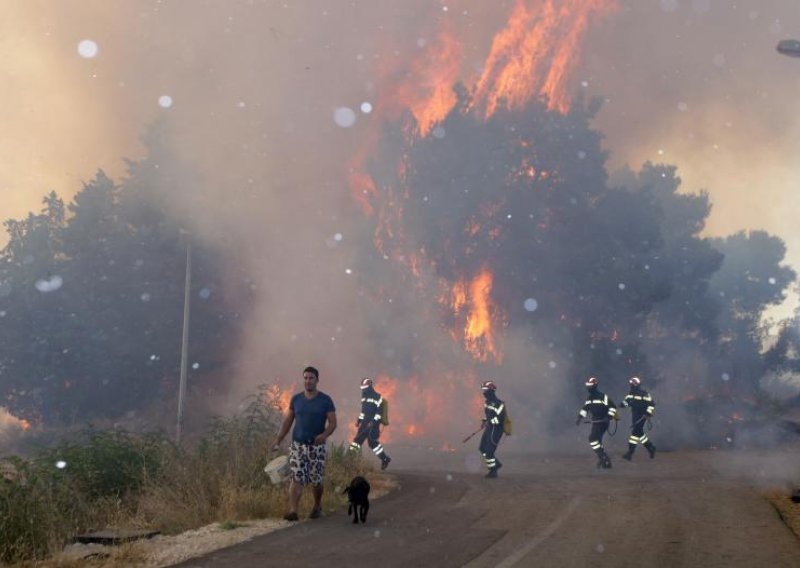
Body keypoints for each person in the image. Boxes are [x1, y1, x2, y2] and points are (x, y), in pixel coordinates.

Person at [271, 366, 337, 521]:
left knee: (316, 480)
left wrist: (324, 435)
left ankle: (317, 506)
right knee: (296, 477)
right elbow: (288, 421)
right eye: (305, 378)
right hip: (298, 446)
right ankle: (293, 511)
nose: (308, 381)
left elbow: (333, 423)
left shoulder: (325, 400)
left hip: (316, 447)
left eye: (311, 378)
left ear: (317, 380)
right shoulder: (296, 399)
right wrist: (278, 439)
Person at [348, 377, 391, 470]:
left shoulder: (377, 397)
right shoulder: (364, 397)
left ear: (370, 386)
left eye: (365, 387)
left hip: (373, 426)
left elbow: (379, 414)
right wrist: (359, 420)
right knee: (357, 441)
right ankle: (349, 460)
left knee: (372, 443)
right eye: (362, 388)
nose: (363, 390)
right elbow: (363, 412)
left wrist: (373, 422)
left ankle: (385, 459)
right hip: (364, 424)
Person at [576, 377, 617, 469]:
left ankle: (603, 458)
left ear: (595, 386)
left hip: (603, 421)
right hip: (596, 421)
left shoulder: (603, 397)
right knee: (597, 440)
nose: (588, 388)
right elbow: (585, 409)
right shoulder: (589, 398)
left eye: (590, 386)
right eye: (587, 386)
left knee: (592, 439)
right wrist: (580, 417)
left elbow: (613, 407)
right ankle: (603, 459)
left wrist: (608, 417)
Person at [620, 376, 656, 461]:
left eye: (632, 384)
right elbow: (627, 403)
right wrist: (621, 405)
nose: (631, 385)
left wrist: (647, 413)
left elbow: (652, 404)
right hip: (635, 416)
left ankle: (630, 453)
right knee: (640, 433)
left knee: (635, 434)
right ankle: (651, 448)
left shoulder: (644, 394)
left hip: (641, 417)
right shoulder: (631, 394)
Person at [479, 380, 506, 479]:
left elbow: (499, 419)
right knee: (482, 448)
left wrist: (490, 422)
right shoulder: (487, 403)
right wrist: (484, 421)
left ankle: (493, 471)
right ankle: (496, 464)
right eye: (483, 390)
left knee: (489, 451)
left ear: (491, 391)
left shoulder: (499, 404)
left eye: (485, 390)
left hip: (496, 430)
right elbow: (488, 415)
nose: (484, 393)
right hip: (489, 428)